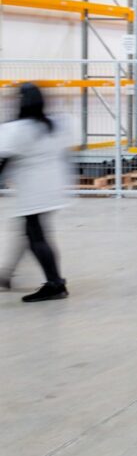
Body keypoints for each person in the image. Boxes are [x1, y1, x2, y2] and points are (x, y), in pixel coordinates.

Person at [0, 83, 73, 302]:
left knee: (36, 236)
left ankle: (55, 284)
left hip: (33, 190)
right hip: (53, 187)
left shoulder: (19, 129)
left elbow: (5, 160)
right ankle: (5, 275)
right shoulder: (55, 124)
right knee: (29, 231)